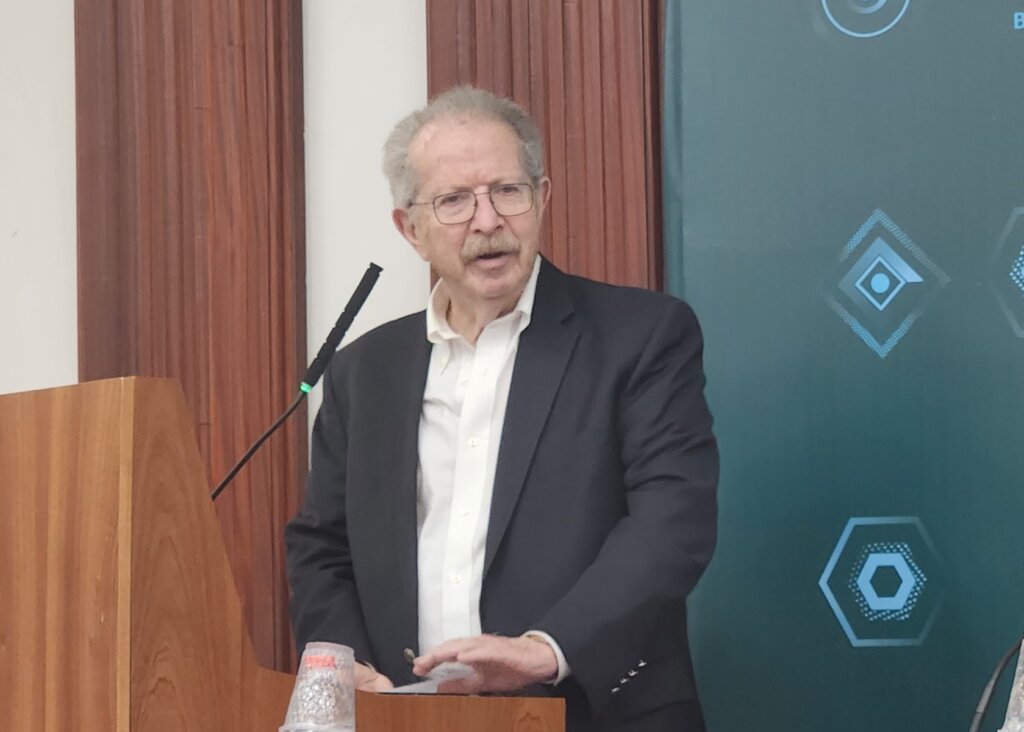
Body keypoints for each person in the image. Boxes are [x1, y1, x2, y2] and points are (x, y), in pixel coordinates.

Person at [284, 86, 718, 732]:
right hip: (407, 720)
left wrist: (546, 650)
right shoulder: (361, 371)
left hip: (595, 714)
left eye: (507, 191)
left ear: (542, 197)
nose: (487, 221)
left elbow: (672, 520)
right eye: (455, 201)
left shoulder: (642, 336)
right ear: (410, 228)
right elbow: (322, 546)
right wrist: (347, 666)